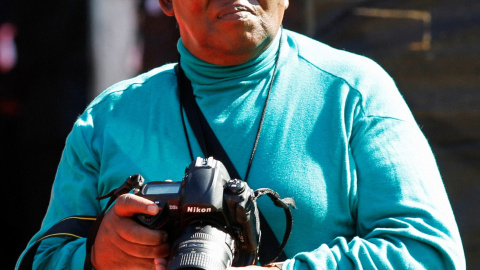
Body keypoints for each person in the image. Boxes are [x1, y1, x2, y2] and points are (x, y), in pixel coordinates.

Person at [16, 0, 466, 269]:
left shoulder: (354, 93)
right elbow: (42, 260)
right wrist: (99, 257)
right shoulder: (108, 120)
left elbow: (430, 254)